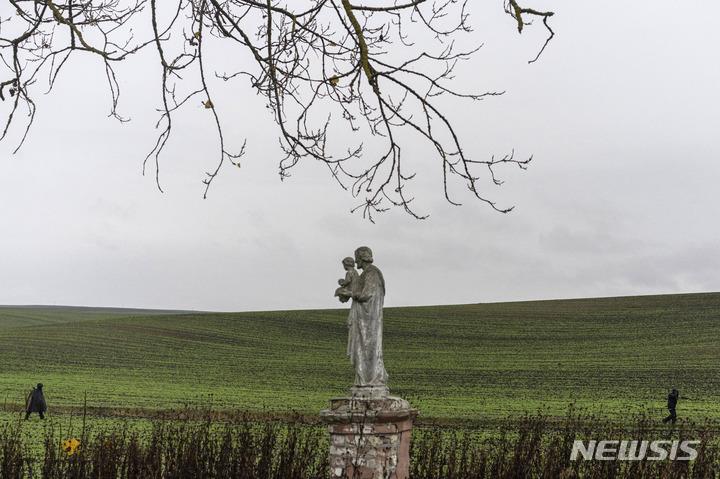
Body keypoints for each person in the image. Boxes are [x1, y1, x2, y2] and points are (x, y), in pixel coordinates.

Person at [346, 246, 388, 388]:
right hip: (369, 317)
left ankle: (368, 380)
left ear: (361, 258)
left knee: (366, 348)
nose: (355, 261)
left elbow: (366, 294)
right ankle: (368, 379)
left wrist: (350, 294)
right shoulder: (371, 273)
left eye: (356, 257)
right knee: (368, 349)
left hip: (367, 320)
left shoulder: (370, 273)